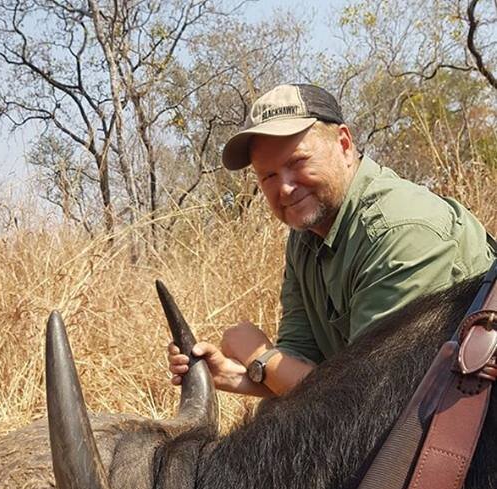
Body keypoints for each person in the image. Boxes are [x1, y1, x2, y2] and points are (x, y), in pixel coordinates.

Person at [168, 83, 497, 398]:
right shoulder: (306, 233)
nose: (284, 188)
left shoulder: (401, 231)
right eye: (267, 175)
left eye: (297, 162)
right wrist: (234, 374)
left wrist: (259, 356)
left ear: (344, 144)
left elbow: (362, 401)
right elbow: (300, 361)